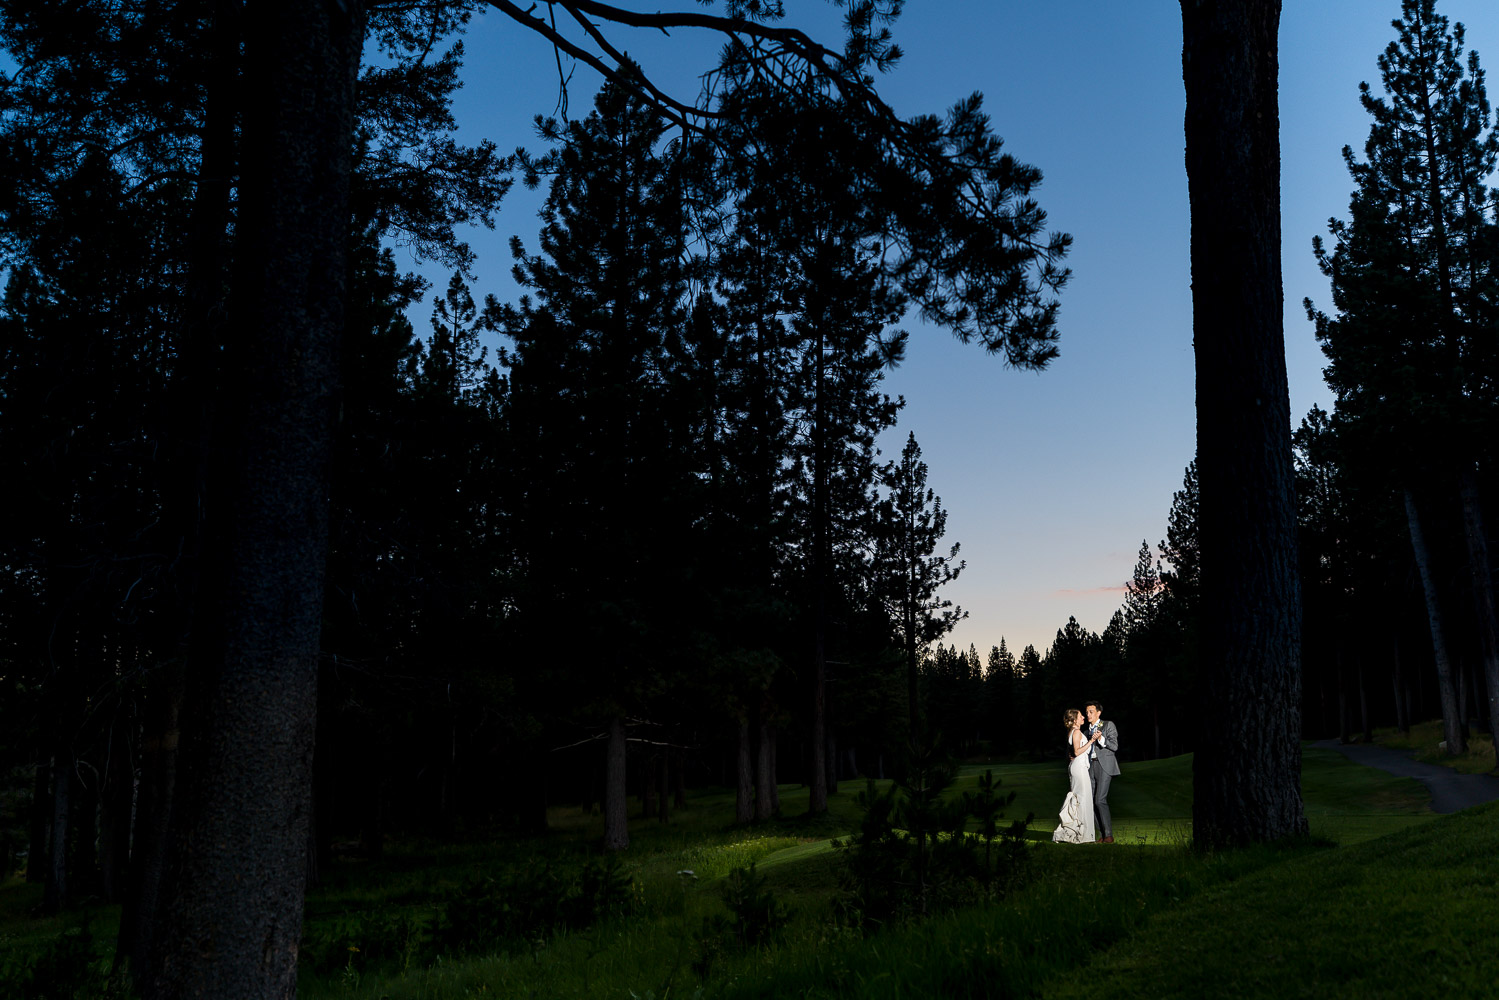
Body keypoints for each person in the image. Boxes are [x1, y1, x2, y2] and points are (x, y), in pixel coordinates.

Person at [1051, 707, 1099, 844]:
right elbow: (1077, 752)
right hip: (1079, 768)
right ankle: (1083, 835)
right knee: (1083, 800)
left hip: (1078, 767)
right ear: (1074, 720)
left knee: (1082, 799)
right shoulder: (1076, 732)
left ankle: (1082, 833)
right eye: (1080, 716)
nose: (1083, 717)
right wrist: (1091, 741)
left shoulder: (1073, 732)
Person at [1084, 700, 1120, 843]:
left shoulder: (1108, 725)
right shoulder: (1086, 731)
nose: (1088, 714)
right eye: (1086, 712)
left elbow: (1114, 746)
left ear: (1099, 713)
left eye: (1091, 712)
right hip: (1090, 766)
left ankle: (1109, 835)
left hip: (1104, 765)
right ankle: (1102, 834)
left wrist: (1101, 739)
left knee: (1100, 799)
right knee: (1090, 802)